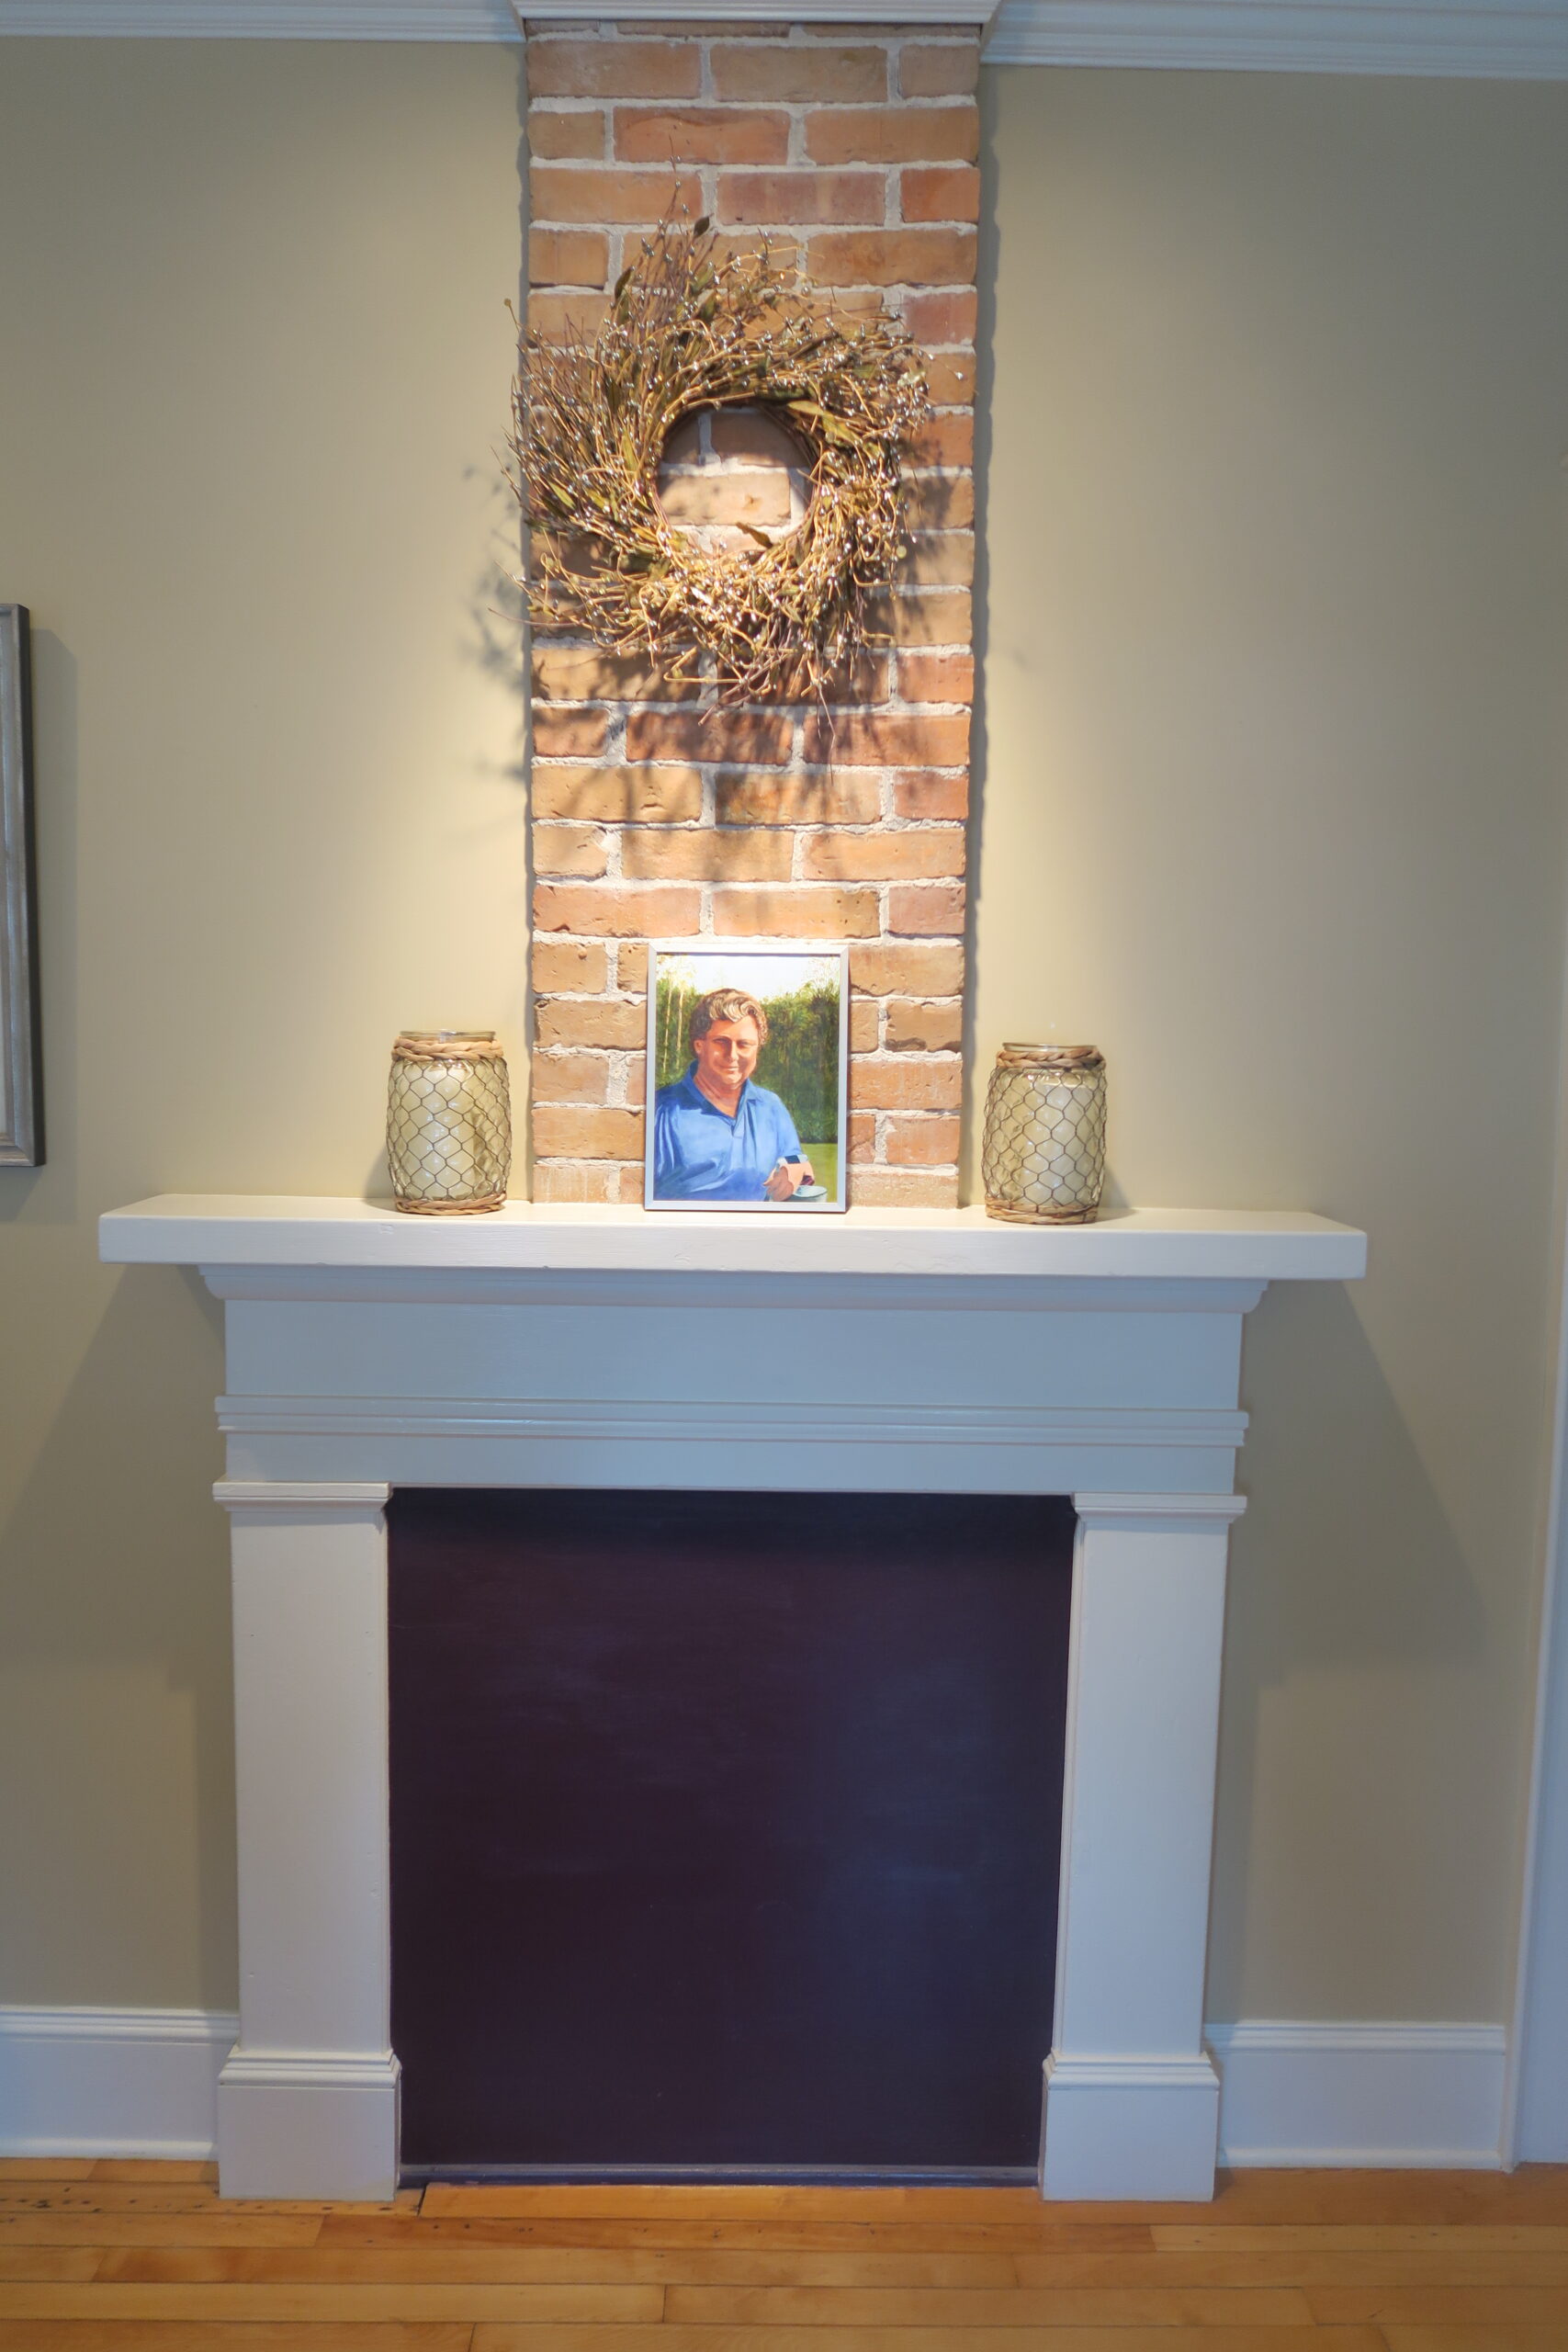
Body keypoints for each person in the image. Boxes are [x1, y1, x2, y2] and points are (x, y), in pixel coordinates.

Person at [653, 988, 817, 1204]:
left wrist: (796, 1165)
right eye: (721, 1042)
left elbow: (794, 1157)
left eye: (744, 1045)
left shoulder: (771, 1107)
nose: (732, 1055)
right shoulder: (661, 1111)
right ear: (699, 1046)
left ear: (757, 1049)